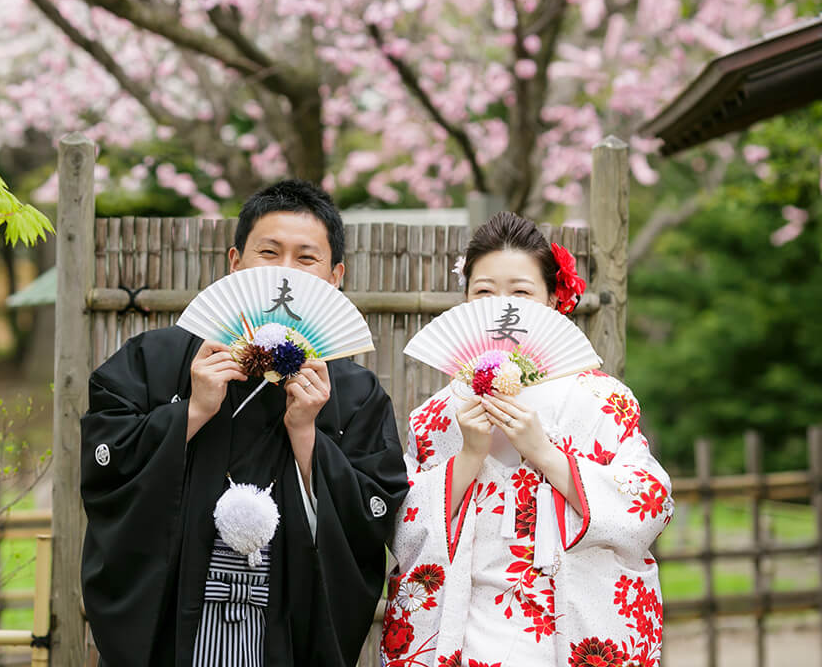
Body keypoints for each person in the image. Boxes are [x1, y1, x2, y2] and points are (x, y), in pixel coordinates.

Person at [81, 179, 409, 667]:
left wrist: (306, 435)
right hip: (177, 617)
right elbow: (105, 462)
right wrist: (191, 412)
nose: (285, 274)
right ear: (234, 263)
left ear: (335, 275)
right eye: (268, 253)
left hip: (286, 621)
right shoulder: (158, 358)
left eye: (306, 258)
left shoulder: (355, 392)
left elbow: (374, 512)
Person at [382, 212, 673, 667]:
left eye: (520, 292)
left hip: (573, 620)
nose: (501, 307)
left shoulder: (601, 401)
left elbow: (650, 505)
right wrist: (470, 455)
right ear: (464, 301)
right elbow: (403, 527)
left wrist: (544, 454)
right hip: (465, 620)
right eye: (483, 292)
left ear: (555, 299)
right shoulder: (440, 413)